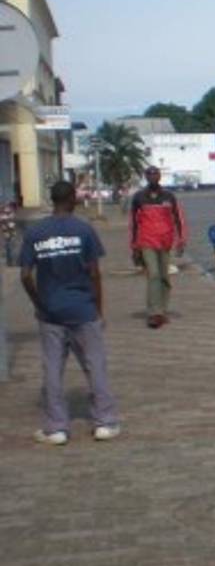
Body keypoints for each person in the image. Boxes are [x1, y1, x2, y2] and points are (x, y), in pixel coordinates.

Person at [18, 181, 120, 444]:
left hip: (50, 311)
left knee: (53, 369)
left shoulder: (35, 232)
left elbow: (25, 275)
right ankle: (104, 423)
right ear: (73, 199)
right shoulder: (83, 230)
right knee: (95, 365)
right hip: (83, 309)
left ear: (52, 200)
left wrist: (38, 303)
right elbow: (94, 273)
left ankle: (56, 428)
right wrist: (98, 309)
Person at [129, 166, 188, 329]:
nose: (153, 177)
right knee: (153, 275)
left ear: (160, 176)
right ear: (146, 177)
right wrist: (134, 246)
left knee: (164, 277)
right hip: (146, 241)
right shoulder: (139, 197)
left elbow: (179, 219)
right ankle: (154, 313)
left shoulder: (169, 196)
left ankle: (162, 310)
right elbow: (133, 223)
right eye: (150, 174)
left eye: (156, 174)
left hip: (165, 242)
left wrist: (181, 240)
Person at [2, 199, 17, 267]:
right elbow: (10, 224)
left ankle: (9, 262)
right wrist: (12, 232)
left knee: (9, 247)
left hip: (7, 232)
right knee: (9, 247)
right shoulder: (9, 212)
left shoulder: (6, 212)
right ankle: (10, 262)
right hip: (8, 232)